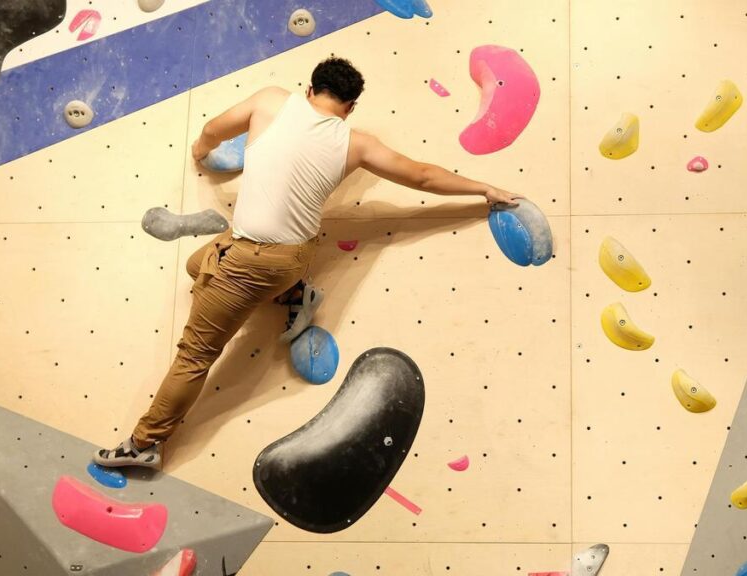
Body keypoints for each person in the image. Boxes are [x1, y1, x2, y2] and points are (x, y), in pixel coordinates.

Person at [94, 56, 520, 470]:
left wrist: (201, 151)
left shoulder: (271, 101)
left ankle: (145, 444)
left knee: (194, 356)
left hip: (251, 260)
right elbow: (423, 175)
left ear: (310, 89)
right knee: (196, 267)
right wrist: (485, 188)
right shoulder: (357, 143)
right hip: (293, 255)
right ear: (350, 107)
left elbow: (211, 130)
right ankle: (295, 292)